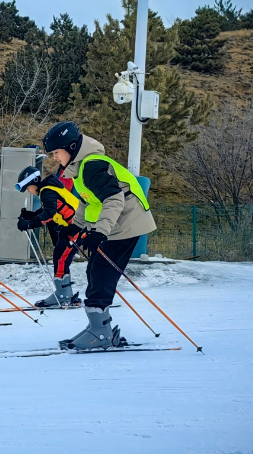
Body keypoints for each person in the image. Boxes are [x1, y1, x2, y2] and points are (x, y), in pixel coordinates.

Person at [42, 121, 156, 350]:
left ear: (71, 147)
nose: (55, 158)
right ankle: (98, 327)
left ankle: (101, 333)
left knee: (101, 272)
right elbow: (88, 201)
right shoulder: (81, 168)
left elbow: (114, 199)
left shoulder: (93, 165)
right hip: (115, 223)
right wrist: (76, 226)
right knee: (94, 270)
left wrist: (100, 232)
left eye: (56, 152)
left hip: (126, 223)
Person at [15, 166, 81, 308]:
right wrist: (31, 216)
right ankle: (65, 293)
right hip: (74, 228)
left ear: (33, 183)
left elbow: (49, 214)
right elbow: (49, 210)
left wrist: (30, 223)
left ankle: (63, 295)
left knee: (60, 258)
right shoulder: (49, 189)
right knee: (61, 257)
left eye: (28, 188)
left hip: (75, 228)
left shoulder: (47, 191)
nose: (29, 191)